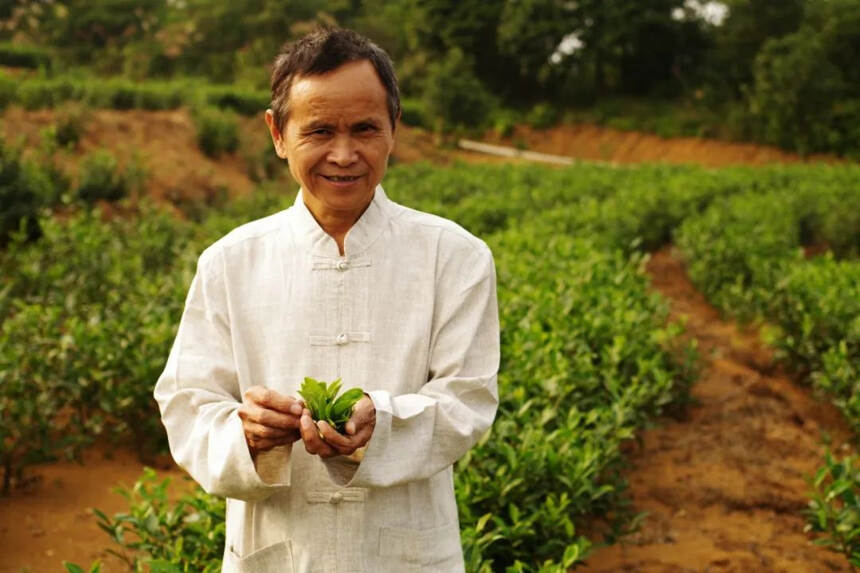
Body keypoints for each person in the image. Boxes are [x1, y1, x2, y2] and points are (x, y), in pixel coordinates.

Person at [154, 27, 500, 573]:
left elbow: (467, 400)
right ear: (278, 133)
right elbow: (186, 405)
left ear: (394, 130)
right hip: (276, 551)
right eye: (319, 130)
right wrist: (246, 433)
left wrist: (379, 424)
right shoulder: (230, 261)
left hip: (407, 555)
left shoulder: (454, 256)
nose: (344, 154)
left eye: (365, 128)